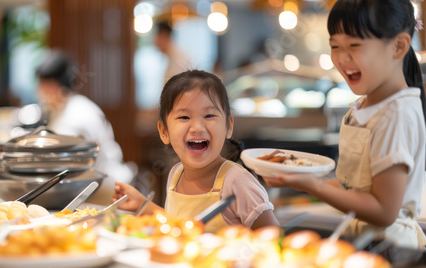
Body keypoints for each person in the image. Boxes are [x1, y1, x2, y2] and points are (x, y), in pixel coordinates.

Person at [263, 0, 426, 249]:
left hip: (392, 249)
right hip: (365, 241)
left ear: (398, 46)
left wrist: (314, 186)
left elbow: (384, 211)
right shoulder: (367, 108)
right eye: (335, 46)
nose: (342, 57)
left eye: (354, 45)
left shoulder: (397, 113)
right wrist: (299, 178)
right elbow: (357, 186)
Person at [113, 70, 279, 233]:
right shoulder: (176, 174)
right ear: (164, 131)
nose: (197, 127)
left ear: (228, 126)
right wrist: (142, 205)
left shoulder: (237, 181)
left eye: (209, 116)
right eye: (184, 117)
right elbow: (180, 227)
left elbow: (274, 237)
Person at [36, 49, 135, 184]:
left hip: (100, 185)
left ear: (54, 86)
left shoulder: (75, 116)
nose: (40, 91)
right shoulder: (74, 105)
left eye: (43, 85)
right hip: (97, 179)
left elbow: (61, 162)